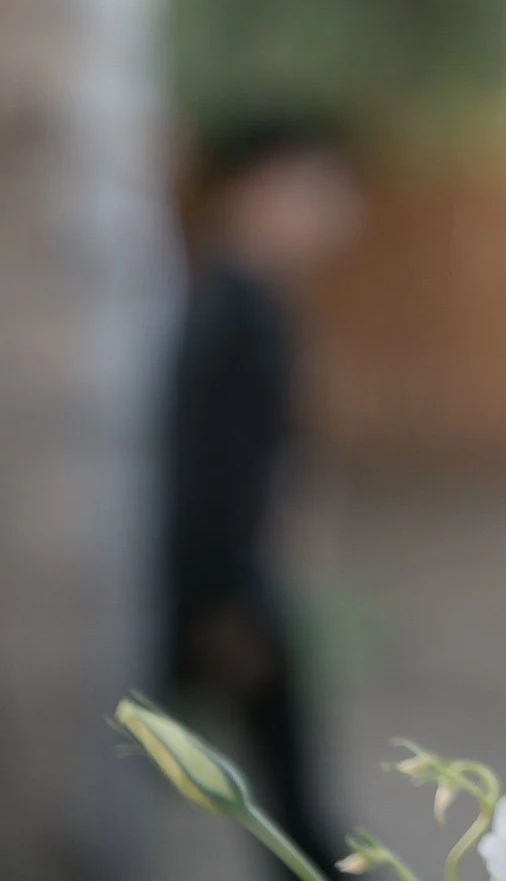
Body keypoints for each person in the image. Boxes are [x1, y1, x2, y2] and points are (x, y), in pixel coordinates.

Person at [158, 115, 363, 874]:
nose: (337, 212)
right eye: (315, 190)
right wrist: (225, 601)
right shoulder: (231, 313)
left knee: (283, 795)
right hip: (231, 589)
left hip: (242, 579)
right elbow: (206, 469)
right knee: (286, 805)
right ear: (258, 190)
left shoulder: (248, 301)